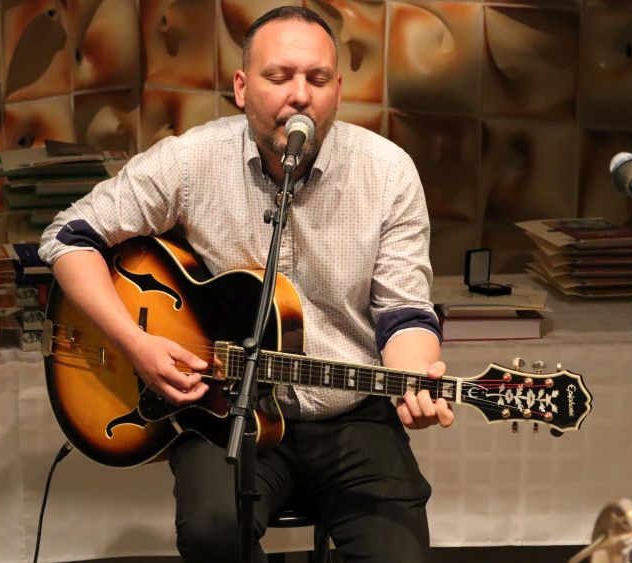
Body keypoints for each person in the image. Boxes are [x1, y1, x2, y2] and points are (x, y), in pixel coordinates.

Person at [39, 6, 454, 562]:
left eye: (317, 79)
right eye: (279, 76)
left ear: (337, 90)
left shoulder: (388, 172)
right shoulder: (191, 160)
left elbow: (404, 311)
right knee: (213, 534)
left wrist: (414, 382)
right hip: (227, 407)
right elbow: (67, 238)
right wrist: (133, 343)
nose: (300, 96)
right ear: (241, 87)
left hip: (351, 412)